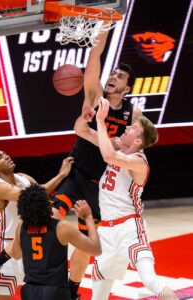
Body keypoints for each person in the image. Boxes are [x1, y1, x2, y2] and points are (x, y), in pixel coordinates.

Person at [52, 29, 142, 299]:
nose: (113, 77)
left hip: (102, 190)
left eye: (120, 77)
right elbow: (95, 55)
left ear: (127, 88)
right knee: (49, 218)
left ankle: (72, 290)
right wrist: (104, 25)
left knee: (85, 245)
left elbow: (135, 147)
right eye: (113, 74)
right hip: (77, 175)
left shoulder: (133, 113)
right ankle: (47, 275)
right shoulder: (94, 96)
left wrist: (111, 142)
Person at [74, 97, 178, 300]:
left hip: (130, 228)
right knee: (98, 295)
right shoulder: (117, 147)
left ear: (138, 141)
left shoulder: (139, 162)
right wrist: (86, 118)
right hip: (107, 232)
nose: (127, 128)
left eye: (132, 129)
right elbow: (81, 130)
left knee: (150, 281)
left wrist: (102, 122)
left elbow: (108, 157)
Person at [0, 148, 74, 300]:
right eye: (0, 157)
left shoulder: (23, 177)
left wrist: (62, 174)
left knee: (36, 292)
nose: (6, 156)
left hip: (28, 242)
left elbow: (43, 190)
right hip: (4, 245)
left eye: (5, 153)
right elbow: (32, 195)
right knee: (3, 297)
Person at [0, 184, 102, 300]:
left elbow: (16, 254)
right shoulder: (62, 227)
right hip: (55, 292)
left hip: (29, 291)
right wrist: (88, 217)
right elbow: (96, 249)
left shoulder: (21, 228)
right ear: (48, 205)